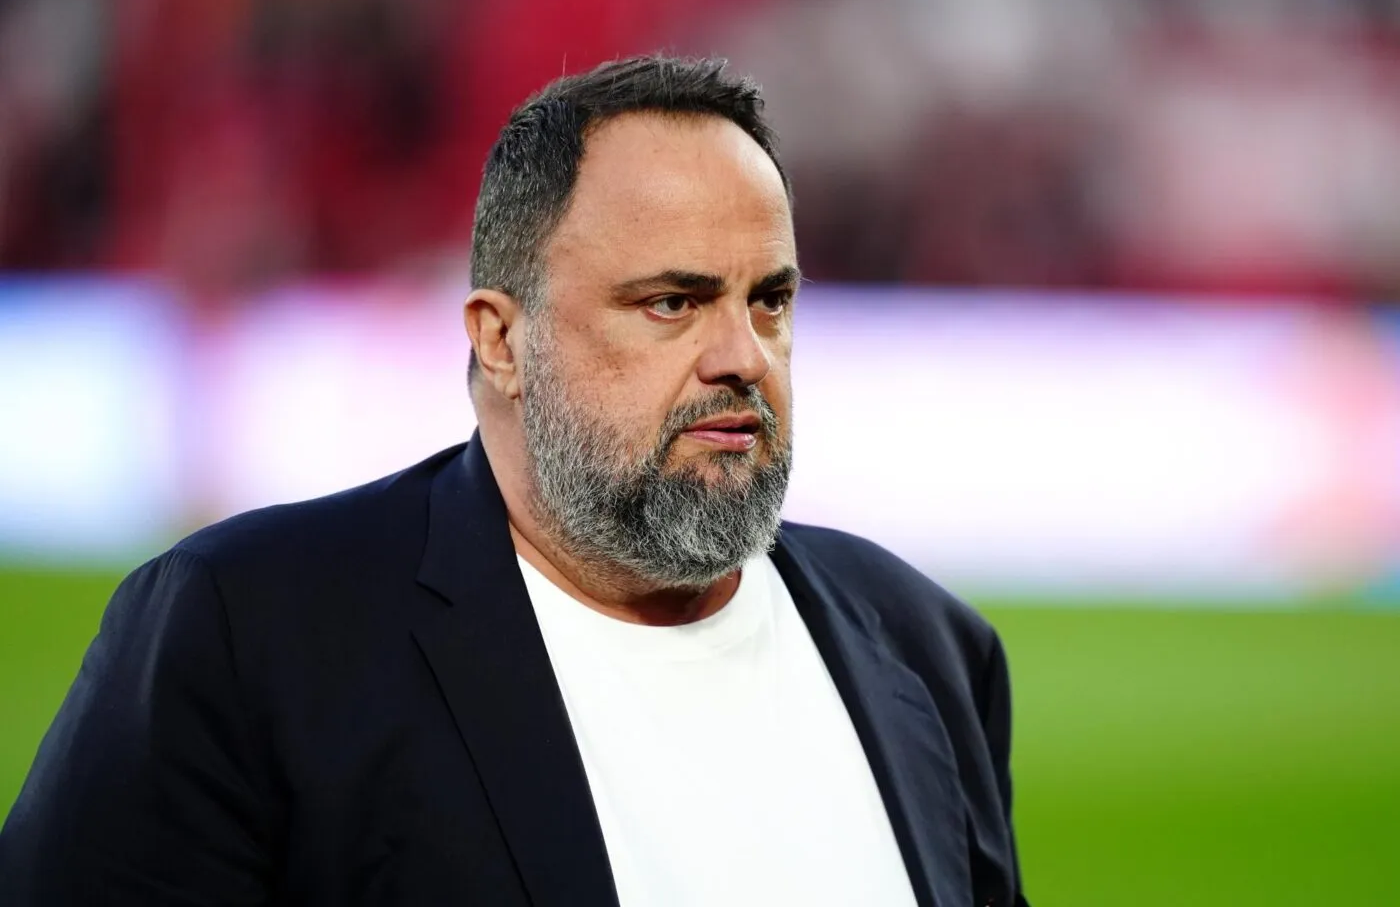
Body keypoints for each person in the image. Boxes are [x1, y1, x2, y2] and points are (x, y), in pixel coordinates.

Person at [0, 55, 1028, 907]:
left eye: (769, 301)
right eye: (672, 303)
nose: (742, 357)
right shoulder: (246, 635)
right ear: (501, 340)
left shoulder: (929, 650)